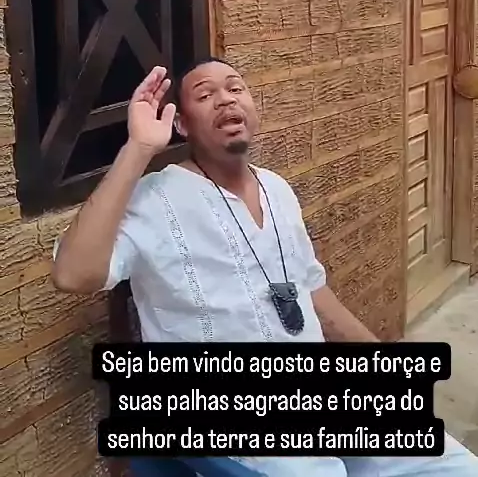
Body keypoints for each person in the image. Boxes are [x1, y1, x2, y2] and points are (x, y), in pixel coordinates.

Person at [52, 59, 477, 477]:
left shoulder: (277, 188)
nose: (225, 99)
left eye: (236, 88)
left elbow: (312, 291)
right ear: (181, 124)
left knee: (454, 465)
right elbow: (72, 275)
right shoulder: (156, 199)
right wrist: (139, 148)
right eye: (205, 94)